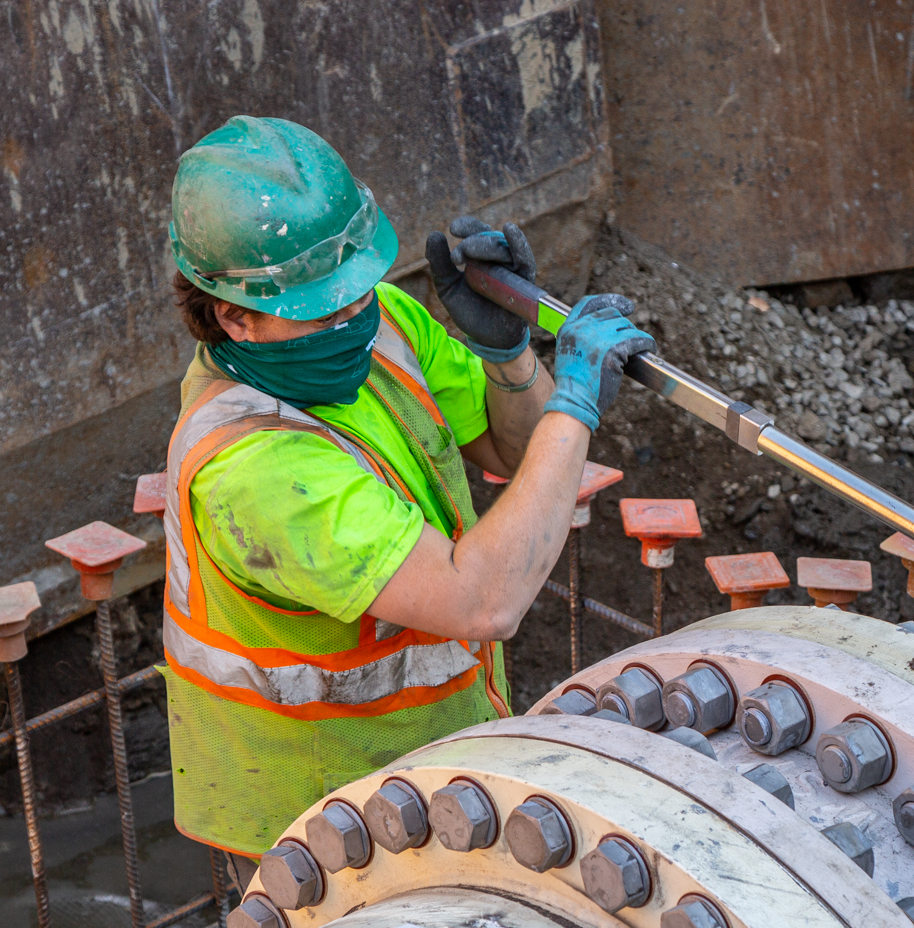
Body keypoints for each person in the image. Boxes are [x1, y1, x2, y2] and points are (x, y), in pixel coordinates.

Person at [159, 115, 652, 865]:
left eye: (358, 290)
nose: (356, 316)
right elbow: (483, 601)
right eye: (325, 307)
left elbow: (517, 453)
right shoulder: (256, 473)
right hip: (323, 833)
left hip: (432, 775)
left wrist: (511, 358)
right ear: (235, 316)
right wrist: (575, 400)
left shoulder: (380, 324)